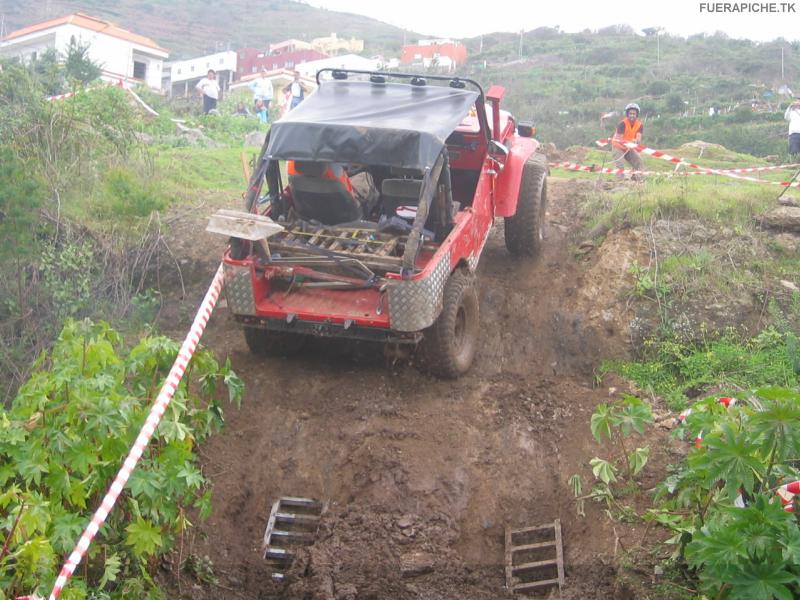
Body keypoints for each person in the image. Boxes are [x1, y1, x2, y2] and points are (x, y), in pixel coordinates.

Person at [610, 102, 644, 179]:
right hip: (618, 146)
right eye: (630, 113)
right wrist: (629, 142)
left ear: (637, 115)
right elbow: (620, 139)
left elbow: (638, 139)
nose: (632, 115)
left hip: (629, 147)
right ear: (627, 114)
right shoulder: (622, 124)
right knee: (620, 165)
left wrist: (636, 141)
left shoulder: (640, 125)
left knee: (638, 161)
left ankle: (637, 178)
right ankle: (620, 181)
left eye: (634, 114)